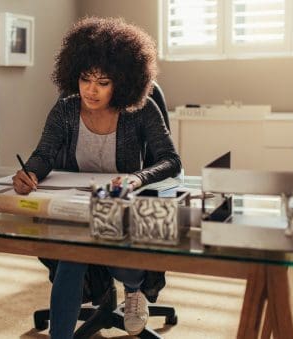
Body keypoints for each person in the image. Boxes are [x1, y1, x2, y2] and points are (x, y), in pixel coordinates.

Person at [12, 17, 181, 338]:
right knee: (72, 254)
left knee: (111, 257)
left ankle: (134, 292)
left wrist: (136, 178)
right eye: (85, 79)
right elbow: (44, 154)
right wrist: (30, 172)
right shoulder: (65, 110)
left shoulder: (141, 110)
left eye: (102, 82)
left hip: (123, 205)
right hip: (79, 205)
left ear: (123, 81)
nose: (91, 90)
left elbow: (171, 161)